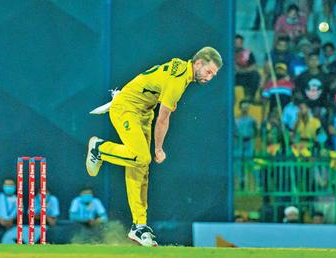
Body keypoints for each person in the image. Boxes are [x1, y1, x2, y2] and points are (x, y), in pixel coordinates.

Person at [86, 47, 222, 246]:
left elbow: (151, 83)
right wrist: (159, 148)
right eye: (209, 71)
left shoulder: (181, 70)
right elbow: (163, 119)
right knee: (142, 157)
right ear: (198, 63)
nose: (210, 77)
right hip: (128, 108)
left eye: (214, 75)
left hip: (143, 112)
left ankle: (138, 227)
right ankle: (99, 149)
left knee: (141, 168)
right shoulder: (178, 80)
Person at [235, 34, 260, 100]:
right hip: (235, 77)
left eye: (239, 43)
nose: (237, 45)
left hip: (246, 76)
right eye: (236, 43)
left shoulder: (248, 53)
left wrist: (243, 70)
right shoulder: (229, 53)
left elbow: (254, 66)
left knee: (255, 75)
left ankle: (251, 96)